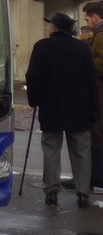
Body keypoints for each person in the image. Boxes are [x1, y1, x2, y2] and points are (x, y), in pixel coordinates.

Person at [26, 12, 99, 207]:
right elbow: (91, 81)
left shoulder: (41, 47)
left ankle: (51, 190)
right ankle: (83, 192)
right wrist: (94, 108)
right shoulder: (82, 48)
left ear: (55, 28)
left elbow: (32, 76)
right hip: (79, 107)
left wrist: (35, 100)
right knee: (81, 151)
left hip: (51, 106)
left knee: (51, 149)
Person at [80, 0, 103, 190]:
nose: (86, 23)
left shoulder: (101, 35)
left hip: (100, 95)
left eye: (87, 19)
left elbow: (100, 64)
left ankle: (96, 177)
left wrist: (85, 65)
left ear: (95, 17)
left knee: (97, 136)